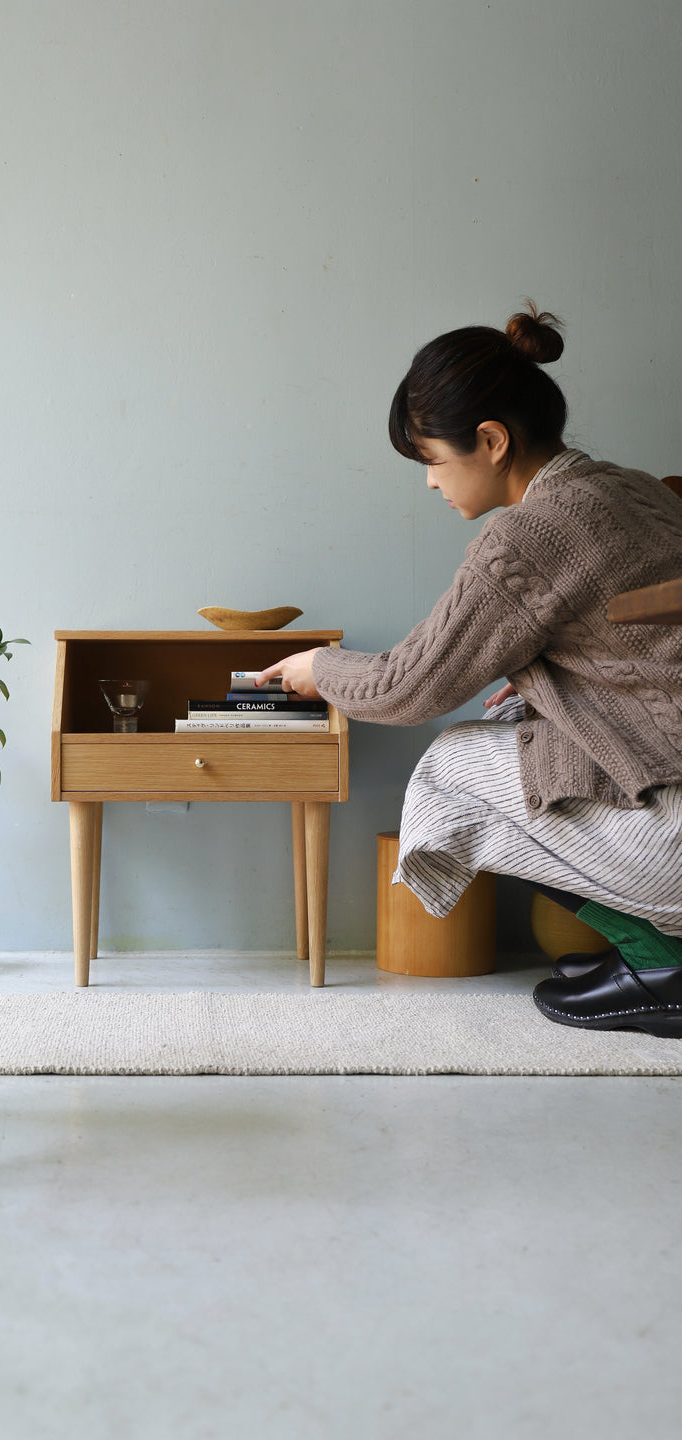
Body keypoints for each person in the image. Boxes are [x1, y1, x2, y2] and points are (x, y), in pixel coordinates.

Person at [255, 302, 682, 1036]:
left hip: (675, 824)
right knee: (512, 716)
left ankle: (661, 962)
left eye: (431, 461)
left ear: (489, 440)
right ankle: (650, 949)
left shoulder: (529, 535)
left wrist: (320, 668)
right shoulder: (633, 487)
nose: (429, 483)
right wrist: (547, 677)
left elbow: (407, 686)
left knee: (449, 770)